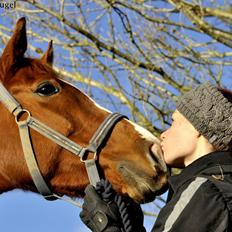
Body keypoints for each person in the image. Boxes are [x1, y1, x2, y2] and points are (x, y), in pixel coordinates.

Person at [80, 82, 232, 232]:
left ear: (197, 128)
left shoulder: (205, 191)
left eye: (174, 122)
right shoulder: (218, 187)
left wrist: (107, 227)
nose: (164, 134)